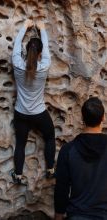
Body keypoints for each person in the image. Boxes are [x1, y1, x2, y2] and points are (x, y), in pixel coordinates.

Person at [11, 19, 56, 184]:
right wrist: (43, 29)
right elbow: (46, 51)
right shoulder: (44, 66)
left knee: (21, 144)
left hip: (21, 113)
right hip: (39, 114)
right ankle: (50, 170)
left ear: (26, 49)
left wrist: (24, 26)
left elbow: (16, 45)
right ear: (39, 54)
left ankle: (18, 175)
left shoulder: (17, 64)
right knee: (50, 137)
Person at [54, 97, 107, 220]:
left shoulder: (68, 150)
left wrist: (58, 217)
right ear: (103, 117)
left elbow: (61, 189)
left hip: (77, 215)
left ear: (82, 119)